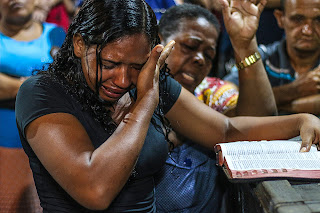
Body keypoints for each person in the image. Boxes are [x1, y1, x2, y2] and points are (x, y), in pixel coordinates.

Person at [15, 0, 320, 212]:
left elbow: (225, 130)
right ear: (80, 44)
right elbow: (95, 190)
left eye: (136, 65)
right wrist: (145, 103)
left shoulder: (149, 80)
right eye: (109, 63)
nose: (122, 79)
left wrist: (299, 121)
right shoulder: (43, 92)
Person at [154, 3, 276, 212]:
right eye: (190, 47)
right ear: (158, 42)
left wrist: (244, 44)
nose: (200, 59)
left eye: (209, 55)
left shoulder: (212, 93)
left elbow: (257, 122)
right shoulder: (125, 91)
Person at [0, 0, 65, 211]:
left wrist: (12, 84)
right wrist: (42, 84)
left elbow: (69, 83)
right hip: (4, 143)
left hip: (53, 144)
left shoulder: (56, 34)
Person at [224, 0, 320, 115]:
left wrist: (269, 107)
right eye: (298, 19)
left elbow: (242, 110)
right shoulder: (259, 57)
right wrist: (295, 90)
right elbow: (226, 107)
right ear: (280, 18)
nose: (308, 31)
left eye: (318, 20)